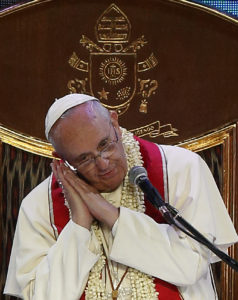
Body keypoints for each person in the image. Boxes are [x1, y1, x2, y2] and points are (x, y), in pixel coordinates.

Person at [4, 93, 238, 300]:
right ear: (61, 158)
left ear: (115, 123)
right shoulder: (38, 206)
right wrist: (79, 225)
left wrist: (110, 215)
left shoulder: (181, 169)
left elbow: (191, 265)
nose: (103, 163)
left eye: (105, 144)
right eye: (84, 159)